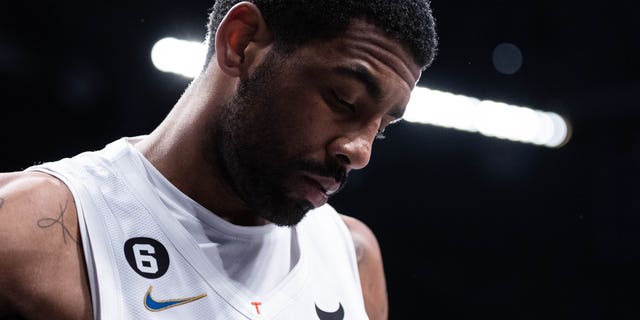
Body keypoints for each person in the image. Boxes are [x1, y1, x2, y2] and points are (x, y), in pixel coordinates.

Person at [0, 0, 437, 319]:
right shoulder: (25, 236)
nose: (360, 152)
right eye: (343, 99)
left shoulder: (355, 260)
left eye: (382, 129)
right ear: (241, 42)